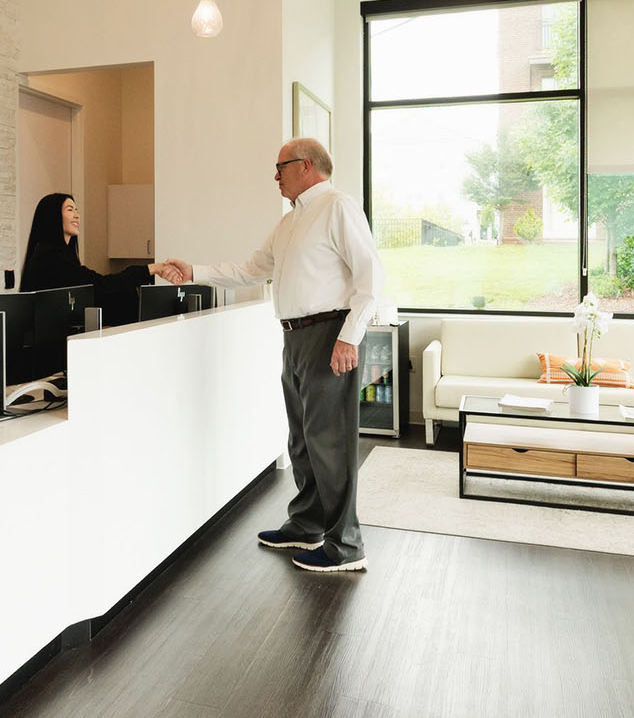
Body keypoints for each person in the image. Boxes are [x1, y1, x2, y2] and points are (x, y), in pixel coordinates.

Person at [157, 138, 384, 574]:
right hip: (295, 339)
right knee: (302, 439)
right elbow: (252, 267)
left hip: (329, 335)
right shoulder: (290, 222)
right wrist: (195, 272)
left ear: (305, 166)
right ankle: (307, 524)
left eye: (279, 167)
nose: (275, 177)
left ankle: (345, 545)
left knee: (330, 441)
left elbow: (370, 276)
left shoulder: (338, 206)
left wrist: (348, 338)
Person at [19, 191, 174, 300]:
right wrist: (152, 268)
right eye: (70, 209)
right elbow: (100, 284)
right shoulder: (50, 255)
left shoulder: (60, 254)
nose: (77, 215)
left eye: (77, 210)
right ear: (53, 216)